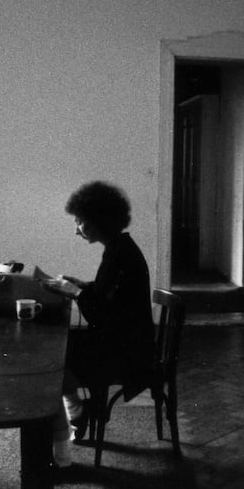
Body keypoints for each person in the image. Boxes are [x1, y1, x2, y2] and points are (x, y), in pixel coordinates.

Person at [43, 181, 155, 466]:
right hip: (125, 340)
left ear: (97, 222)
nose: (76, 229)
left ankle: (71, 426)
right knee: (59, 351)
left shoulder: (119, 253)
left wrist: (77, 293)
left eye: (80, 222)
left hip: (127, 351)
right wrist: (83, 286)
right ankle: (77, 410)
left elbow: (104, 314)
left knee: (51, 362)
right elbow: (110, 293)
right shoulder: (120, 248)